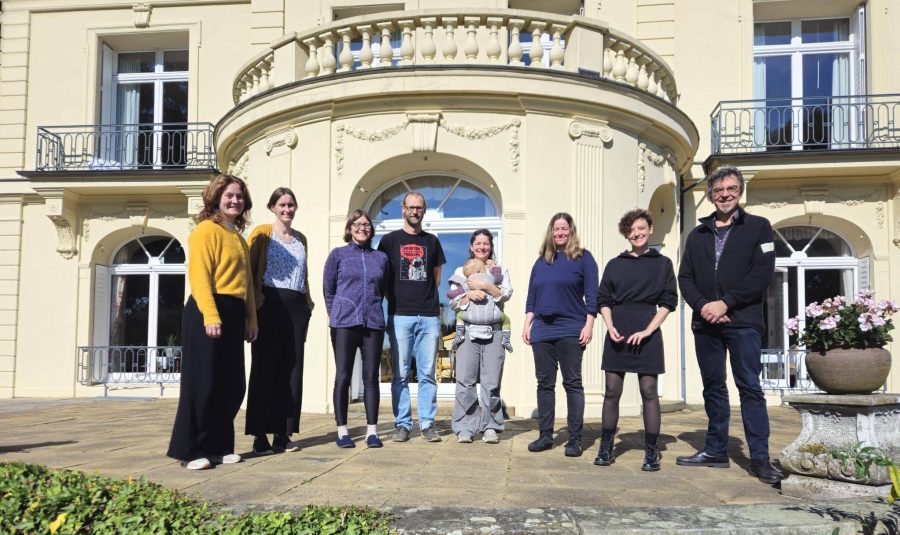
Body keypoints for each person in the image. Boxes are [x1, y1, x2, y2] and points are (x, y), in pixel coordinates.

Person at [677, 166, 783, 484]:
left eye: (731, 189)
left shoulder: (760, 228)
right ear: (710, 194)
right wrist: (704, 306)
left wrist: (727, 303)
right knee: (713, 388)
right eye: (719, 189)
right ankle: (716, 450)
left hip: (744, 323)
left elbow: (762, 273)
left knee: (749, 387)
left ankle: (760, 458)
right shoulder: (697, 235)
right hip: (705, 323)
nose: (725, 194)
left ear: (740, 191)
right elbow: (686, 277)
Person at [167, 174, 257, 470]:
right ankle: (191, 451)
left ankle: (219, 447)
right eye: (230, 195)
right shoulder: (205, 230)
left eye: (239, 196)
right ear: (216, 198)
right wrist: (211, 315)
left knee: (231, 385)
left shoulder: (238, 239)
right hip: (209, 310)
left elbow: (248, 285)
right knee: (203, 383)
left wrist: (251, 319)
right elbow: (200, 277)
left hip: (233, 310)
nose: (235, 201)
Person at [594, 209, 677, 471]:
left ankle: (651, 452)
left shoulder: (663, 264)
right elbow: (603, 300)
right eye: (631, 230)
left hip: (648, 330)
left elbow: (668, 301)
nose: (637, 233)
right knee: (611, 392)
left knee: (649, 392)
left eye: (641, 228)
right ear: (626, 234)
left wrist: (648, 330)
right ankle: (606, 447)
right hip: (617, 330)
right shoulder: (615, 264)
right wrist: (610, 326)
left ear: (650, 229)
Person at [523, 212, 598, 457]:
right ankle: (545, 435)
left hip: (571, 327)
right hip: (542, 329)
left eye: (564, 228)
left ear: (571, 231)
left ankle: (574, 440)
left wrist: (589, 325)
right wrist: (527, 323)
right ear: (551, 232)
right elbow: (532, 296)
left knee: (572, 383)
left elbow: (592, 295)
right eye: (556, 229)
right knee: (544, 384)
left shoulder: (584, 258)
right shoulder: (542, 261)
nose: (560, 233)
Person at [245, 187, 313, 455]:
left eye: (291, 205)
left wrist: (307, 306)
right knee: (265, 370)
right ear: (272, 207)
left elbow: (303, 275)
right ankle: (260, 436)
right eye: (282, 205)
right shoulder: (262, 234)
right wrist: (253, 310)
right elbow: (250, 273)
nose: (287, 209)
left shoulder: (301, 239)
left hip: (296, 306)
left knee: (293, 371)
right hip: (268, 304)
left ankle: (283, 435)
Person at [377, 191, 446, 443]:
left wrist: (424, 298)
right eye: (411, 207)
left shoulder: (432, 242)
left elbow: (436, 278)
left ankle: (427, 424)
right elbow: (383, 278)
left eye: (419, 208)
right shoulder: (389, 241)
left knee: (428, 373)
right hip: (399, 315)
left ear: (424, 211)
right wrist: (396, 299)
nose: (415, 212)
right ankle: (403, 424)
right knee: (400, 374)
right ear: (403, 209)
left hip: (428, 315)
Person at [323, 209, 389, 448]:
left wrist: (371, 308)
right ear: (350, 228)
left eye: (367, 225)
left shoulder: (380, 258)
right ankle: (342, 431)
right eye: (358, 224)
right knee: (343, 378)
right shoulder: (338, 255)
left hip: (372, 323)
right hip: (344, 324)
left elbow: (382, 290)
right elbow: (328, 290)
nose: (363, 228)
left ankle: (372, 431)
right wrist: (337, 313)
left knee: (371, 378)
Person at [447, 229, 513, 444]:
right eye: (478, 243)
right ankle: (465, 426)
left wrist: (486, 285)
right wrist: (468, 294)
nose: (482, 247)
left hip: (494, 330)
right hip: (467, 331)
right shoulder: (461, 270)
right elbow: (453, 299)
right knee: (465, 381)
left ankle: (491, 426)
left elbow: (507, 293)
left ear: (491, 246)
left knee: (491, 382)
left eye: (486, 243)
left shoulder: (499, 270)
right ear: (471, 246)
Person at [448, 259, 513, 353]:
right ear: (479, 271)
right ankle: (506, 339)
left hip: (471, 318)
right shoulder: (489, 279)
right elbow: (498, 279)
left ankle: (459, 334)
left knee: (459, 316)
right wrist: (495, 268)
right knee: (506, 320)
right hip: (492, 316)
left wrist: (465, 293)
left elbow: (451, 295)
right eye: (483, 268)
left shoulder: (466, 283)